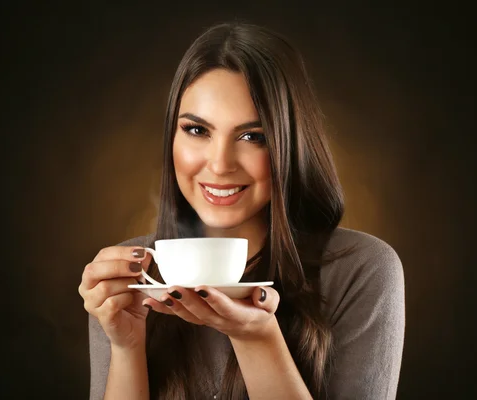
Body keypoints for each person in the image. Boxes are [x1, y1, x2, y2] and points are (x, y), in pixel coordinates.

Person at [78, 22, 405, 400]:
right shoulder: (127, 279)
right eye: (197, 130)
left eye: (254, 137)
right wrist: (125, 347)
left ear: (289, 145)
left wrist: (257, 338)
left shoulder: (361, 270)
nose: (219, 164)